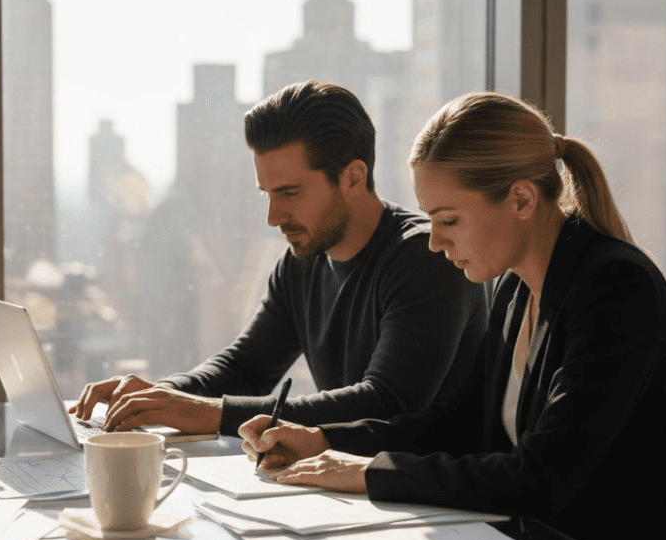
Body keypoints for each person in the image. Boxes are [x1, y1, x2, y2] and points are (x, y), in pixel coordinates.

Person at [239, 91, 666, 540]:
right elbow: (456, 424)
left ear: (519, 200)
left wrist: (370, 473)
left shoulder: (615, 289)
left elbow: (540, 477)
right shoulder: (516, 290)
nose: (434, 242)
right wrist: (328, 441)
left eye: (448, 220)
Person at [72, 80, 488, 438]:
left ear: (353, 178)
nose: (274, 217)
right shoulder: (302, 260)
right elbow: (247, 367)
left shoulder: (426, 257)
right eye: (267, 195)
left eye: (289, 193)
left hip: (439, 510)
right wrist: (155, 396)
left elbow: (385, 402)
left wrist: (209, 414)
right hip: (351, 487)